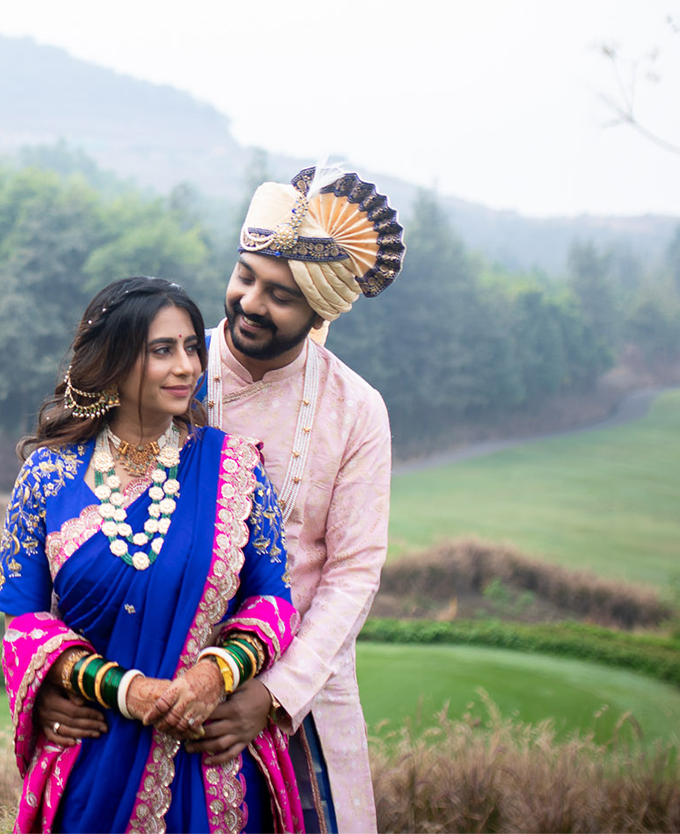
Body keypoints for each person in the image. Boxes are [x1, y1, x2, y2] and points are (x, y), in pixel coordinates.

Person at [35, 167, 404, 833]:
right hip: (138, 683)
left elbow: (353, 573)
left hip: (293, 694)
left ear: (319, 311)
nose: (252, 302)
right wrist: (54, 681)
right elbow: (77, 531)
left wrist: (270, 694)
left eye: (281, 295)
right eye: (245, 276)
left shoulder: (355, 410)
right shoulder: (167, 371)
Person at [0, 277, 303, 833]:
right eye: (162, 350)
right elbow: (24, 625)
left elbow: (274, 603)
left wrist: (216, 673)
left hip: (212, 757)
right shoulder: (47, 477)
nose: (186, 367)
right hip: (94, 761)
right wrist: (123, 690)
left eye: (191, 348)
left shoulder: (235, 468)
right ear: (113, 362)